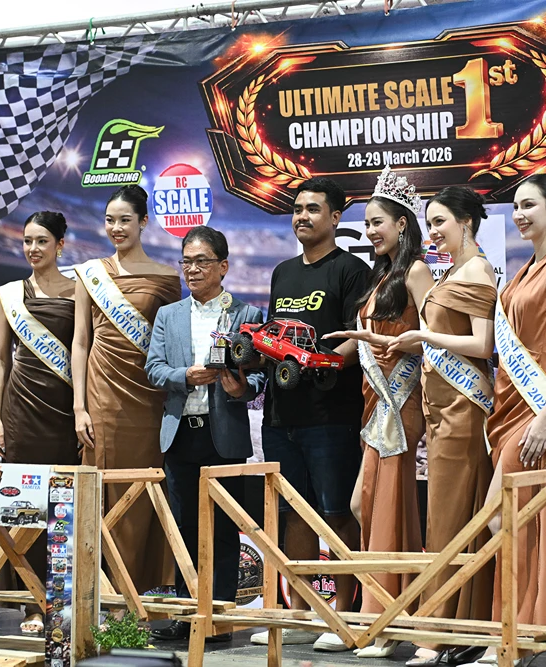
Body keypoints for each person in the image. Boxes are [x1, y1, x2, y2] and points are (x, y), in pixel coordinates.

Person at [249, 177, 371, 652]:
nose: (302, 216)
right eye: (297, 209)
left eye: (313, 209)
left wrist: (326, 365)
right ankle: (299, 612)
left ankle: (345, 614)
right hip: (281, 418)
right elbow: (271, 338)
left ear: (335, 217)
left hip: (331, 415)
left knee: (337, 513)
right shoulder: (282, 272)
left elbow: (359, 341)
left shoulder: (351, 270)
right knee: (291, 515)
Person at [477, 174, 546, 666]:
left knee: (503, 515)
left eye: (528, 206)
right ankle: (515, 632)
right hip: (508, 400)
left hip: (535, 400)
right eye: (516, 207)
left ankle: (516, 632)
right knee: (511, 516)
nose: (519, 215)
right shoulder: (526, 268)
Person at [323, 166, 432, 659]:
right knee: (366, 505)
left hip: (399, 400)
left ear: (402, 223)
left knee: (381, 507)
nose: (369, 231)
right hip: (376, 400)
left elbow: (434, 339)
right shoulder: (383, 274)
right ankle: (395, 613)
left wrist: (394, 343)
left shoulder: (417, 271)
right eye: (366, 223)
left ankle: (382, 624)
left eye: (377, 222)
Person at [388, 187, 497, 667]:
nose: (431, 231)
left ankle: (436, 632)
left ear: (466, 222)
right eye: (429, 223)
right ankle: (460, 624)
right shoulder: (452, 270)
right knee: (451, 516)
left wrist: (424, 334)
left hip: (463, 406)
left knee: (451, 517)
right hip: (440, 406)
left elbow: (482, 345)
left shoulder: (477, 271)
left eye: (440, 222)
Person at [145, 225, 267, 642]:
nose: (192, 270)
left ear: (223, 266)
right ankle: (185, 615)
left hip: (224, 436)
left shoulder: (247, 315)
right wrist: (185, 375)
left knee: (223, 530)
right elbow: (153, 368)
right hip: (180, 433)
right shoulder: (169, 315)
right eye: (187, 262)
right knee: (184, 527)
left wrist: (241, 389)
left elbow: (260, 377)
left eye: (202, 261)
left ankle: (218, 619)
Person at [71, 185, 182, 597]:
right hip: (102, 394)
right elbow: (79, 342)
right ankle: (102, 593)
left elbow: (170, 341)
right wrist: (79, 407)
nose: (116, 228)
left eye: (125, 220)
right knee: (104, 488)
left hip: (149, 399)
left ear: (143, 222)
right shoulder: (89, 273)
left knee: (146, 491)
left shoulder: (167, 277)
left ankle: (143, 590)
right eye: (110, 220)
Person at [0, 210, 78, 635]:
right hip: (20, 411)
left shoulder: (79, 291)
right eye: (27, 240)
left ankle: (63, 599)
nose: (33, 248)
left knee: (62, 508)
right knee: (23, 507)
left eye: (42, 240)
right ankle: (31, 605)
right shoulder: (9, 294)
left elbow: (84, 350)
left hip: (63, 412)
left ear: (60, 244)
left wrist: (82, 407)